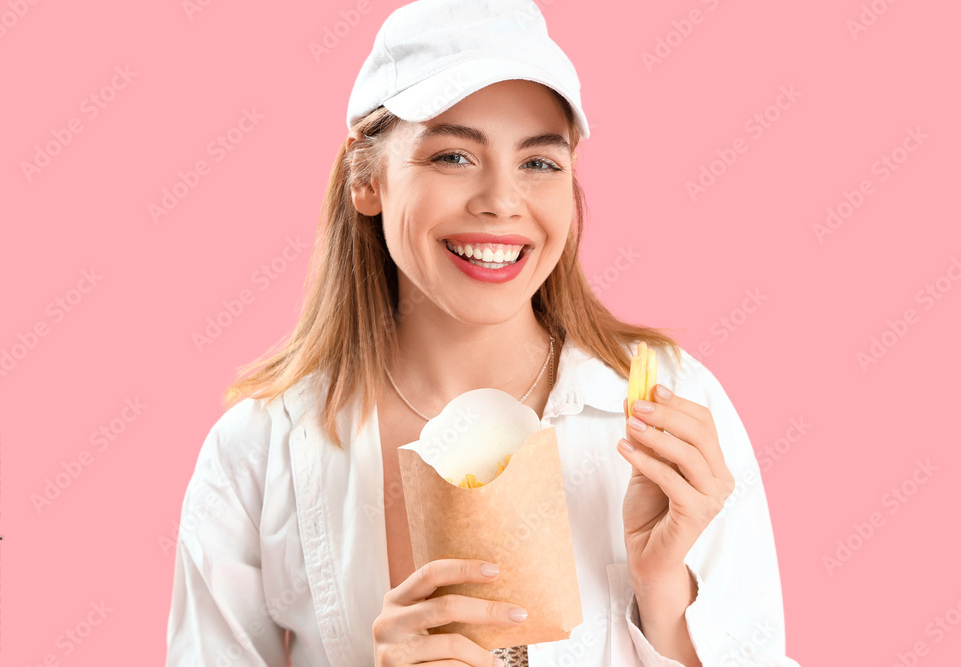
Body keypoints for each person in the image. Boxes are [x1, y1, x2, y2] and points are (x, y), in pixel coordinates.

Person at [165, 1, 801, 665]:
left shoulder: (669, 406)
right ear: (366, 178)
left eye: (539, 163)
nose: (501, 200)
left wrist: (665, 590)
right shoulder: (257, 454)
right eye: (453, 155)